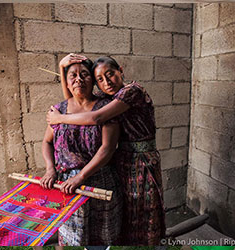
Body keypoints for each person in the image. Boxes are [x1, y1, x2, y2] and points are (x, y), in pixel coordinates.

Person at [46, 53, 166, 245]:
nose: (107, 81)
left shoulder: (131, 91)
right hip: (122, 160)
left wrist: (59, 119)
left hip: (142, 160)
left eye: (110, 74)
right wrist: (62, 68)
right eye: (100, 79)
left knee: (144, 209)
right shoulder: (107, 96)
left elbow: (95, 118)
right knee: (125, 213)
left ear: (121, 71)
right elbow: (76, 101)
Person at [41, 58, 122, 246]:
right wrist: (50, 169)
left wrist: (81, 176)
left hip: (99, 180)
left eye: (84, 74)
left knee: (99, 239)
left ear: (92, 81)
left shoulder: (105, 107)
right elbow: (46, 141)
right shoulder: (59, 110)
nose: (78, 79)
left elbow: (107, 148)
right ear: (67, 83)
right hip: (66, 184)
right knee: (68, 234)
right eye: (73, 76)